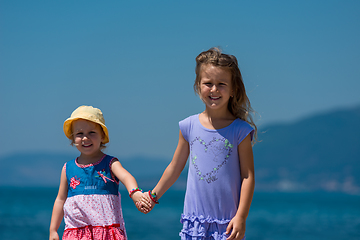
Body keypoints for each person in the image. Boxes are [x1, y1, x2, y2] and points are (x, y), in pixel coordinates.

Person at [145, 48, 257, 240]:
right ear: (198, 86)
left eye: (221, 84)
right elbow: (175, 166)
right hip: (194, 222)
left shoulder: (240, 130)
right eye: (208, 83)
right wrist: (153, 196)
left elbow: (247, 176)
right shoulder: (188, 126)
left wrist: (241, 217)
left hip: (228, 224)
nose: (214, 89)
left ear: (233, 90)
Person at [49, 105, 151, 240]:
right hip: (76, 233)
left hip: (106, 233)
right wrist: (53, 230)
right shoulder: (67, 168)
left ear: (102, 136)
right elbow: (60, 200)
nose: (85, 138)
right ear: (73, 138)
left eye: (91, 132)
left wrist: (135, 192)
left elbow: (126, 177)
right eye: (79, 134)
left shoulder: (110, 163)